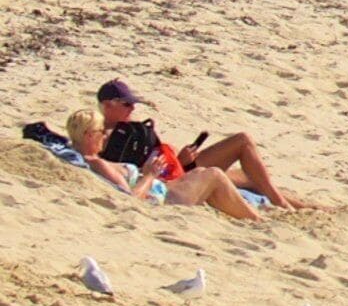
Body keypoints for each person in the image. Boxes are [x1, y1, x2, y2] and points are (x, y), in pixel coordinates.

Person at [93, 80, 293, 214]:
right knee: (247, 161)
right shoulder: (104, 137)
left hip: (181, 165)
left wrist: (182, 159)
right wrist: (180, 163)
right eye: (127, 104)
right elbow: (134, 172)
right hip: (172, 176)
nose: (133, 108)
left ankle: (309, 207)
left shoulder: (128, 127)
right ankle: (282, 204)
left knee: (253, 174)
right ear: (108, 105)